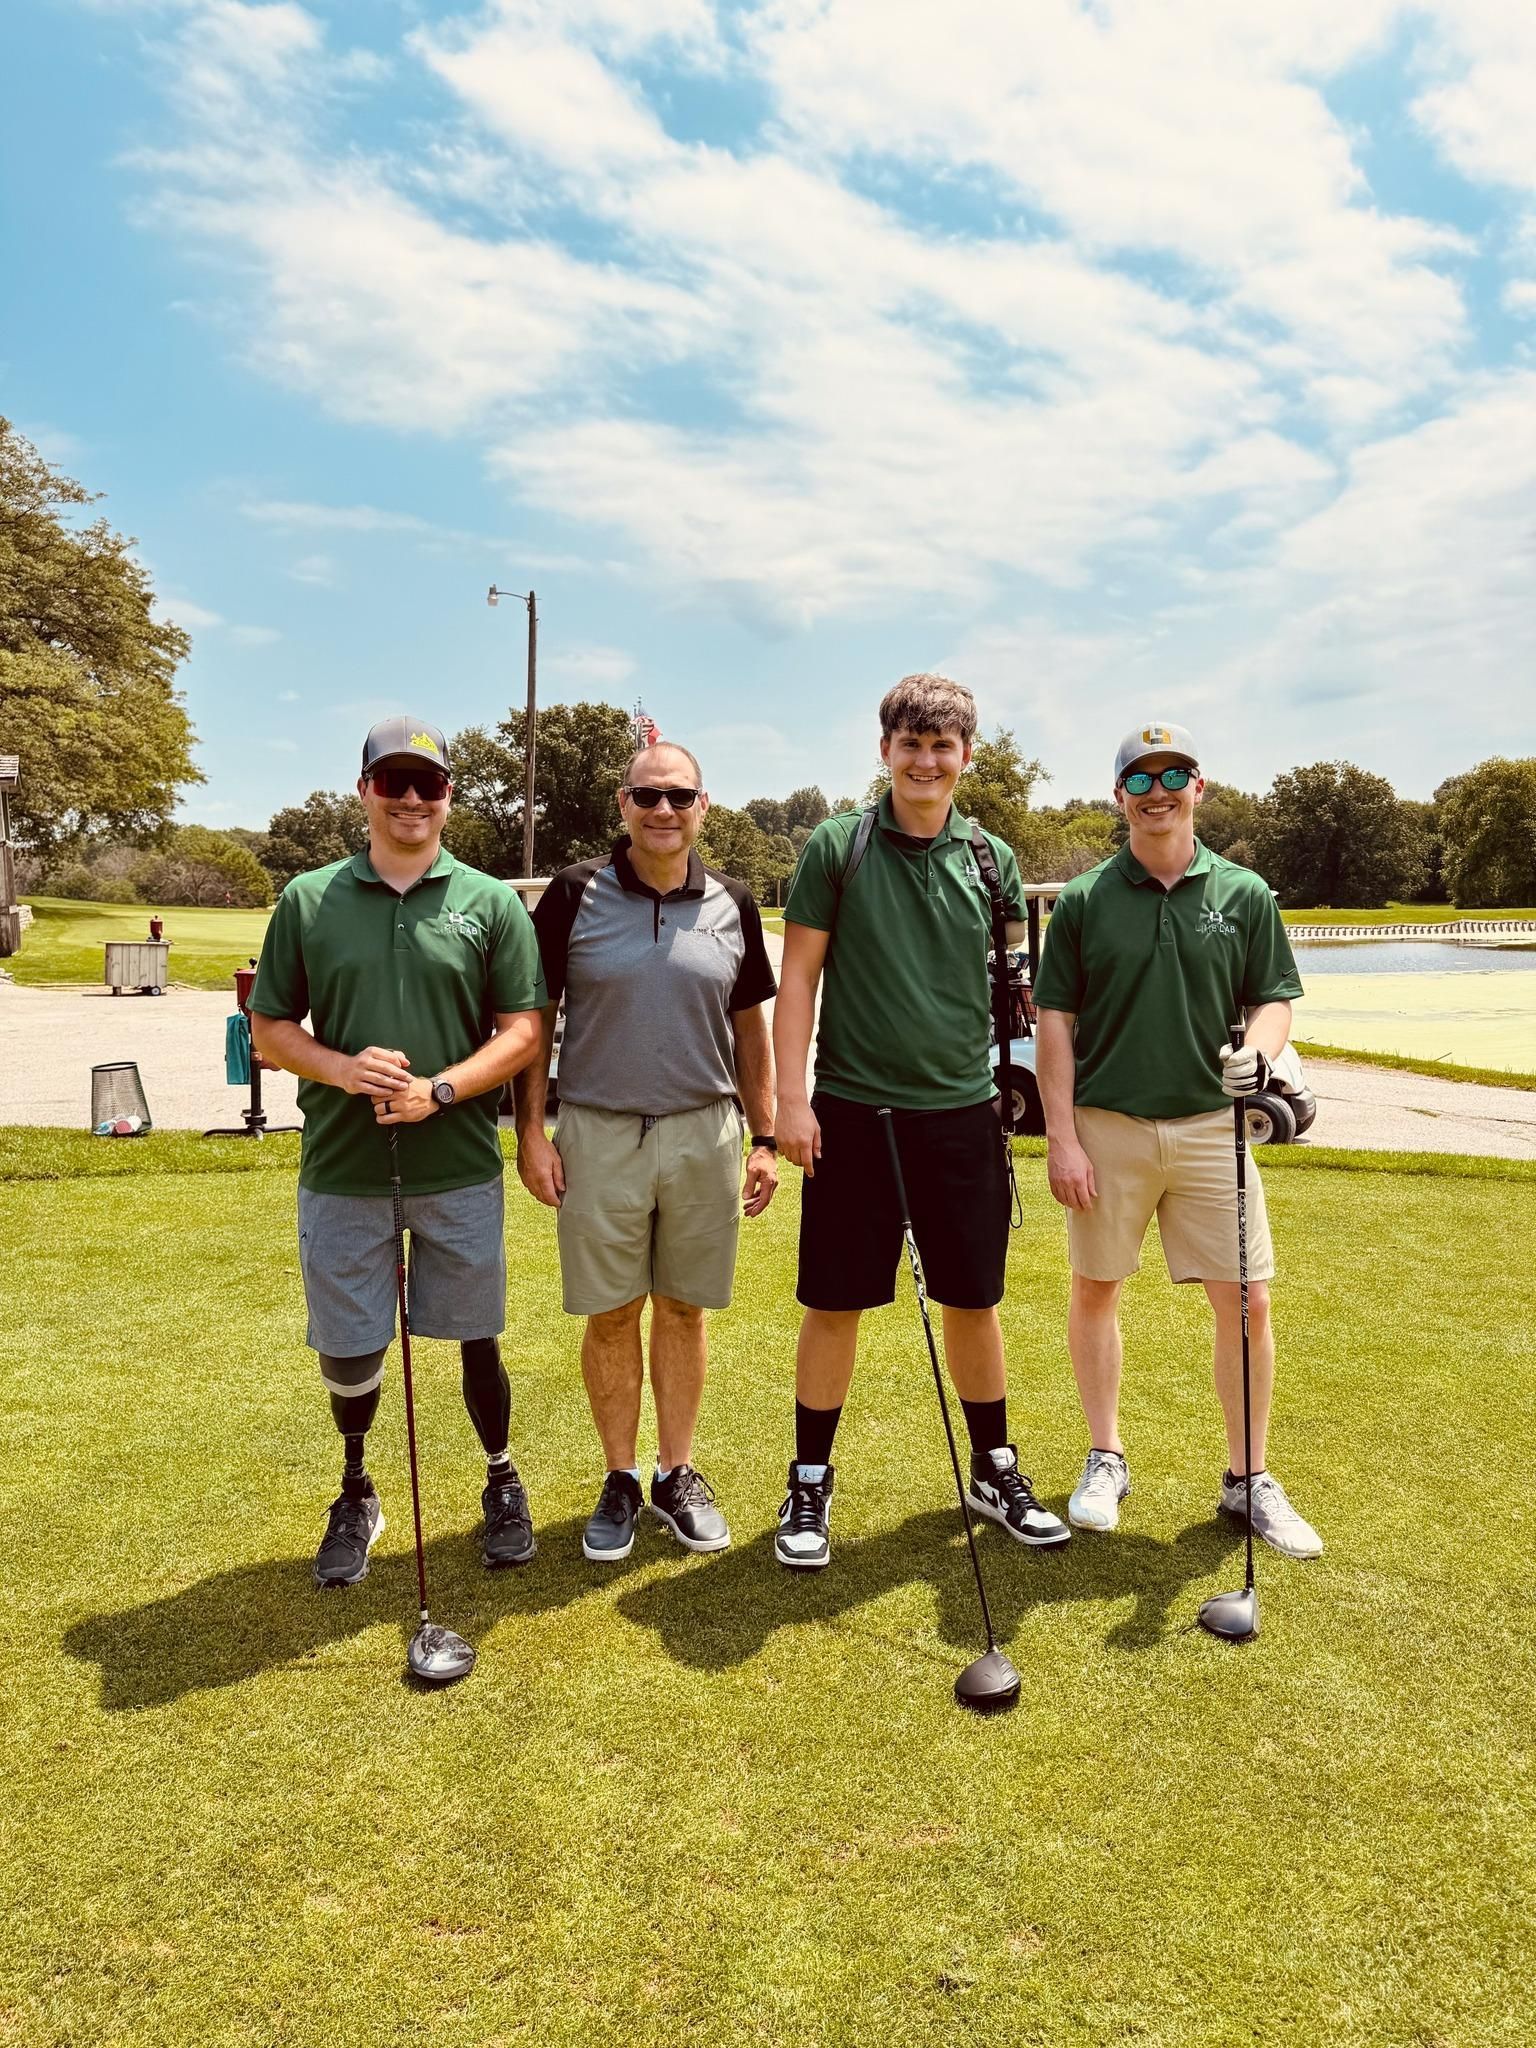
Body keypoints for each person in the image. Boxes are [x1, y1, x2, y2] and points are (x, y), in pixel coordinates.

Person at [772, 673, 1070, 1569]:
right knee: (834, 1304)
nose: (926, 760)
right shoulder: (838, 847)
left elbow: (1011, 984)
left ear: (965, 756)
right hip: (854, 1112)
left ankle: (994, 1467)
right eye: (911, 743)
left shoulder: (991, 859)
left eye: (943, 746)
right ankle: (809, 1483)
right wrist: (790, 1099)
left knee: (972, 1301)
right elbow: (798, 985)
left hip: (961, 1113)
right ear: (885, 750)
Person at [250, 717, 548, 1588]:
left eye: (429, 784)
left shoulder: (490, 902)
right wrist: (343, 1070)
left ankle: (500, 1478)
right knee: (348, 1349)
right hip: (343, 1168)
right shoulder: (308, 899)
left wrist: (441, 1090)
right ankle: (357, 1489)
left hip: (456, 1164)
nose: (412, 799)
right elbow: (269, 1029)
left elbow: (525, 1029)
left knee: (474, 1335)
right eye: (394, 783)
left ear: (450, 796)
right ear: (365, 792)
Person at [1032, 720, 1323, 1557]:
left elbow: (1273, 1000)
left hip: (1210, 1127)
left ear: (1199, 786)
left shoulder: (1243, 892)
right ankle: (1106, 1456)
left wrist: (1258, 1058)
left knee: (1246, 1299)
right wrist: (1061, 1138)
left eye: (1174, 776)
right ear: (1118, 796)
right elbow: (1057, 1024)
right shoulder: (1086, 899)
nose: (1157, 793)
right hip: (1108, 1125)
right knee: (1096, 1288)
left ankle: (1247, 1479)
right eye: (1141, 779)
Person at [514, 741, 779, 1563]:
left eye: (680, 797)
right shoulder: (571, 893)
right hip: (598, 1129)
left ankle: (676, 1472)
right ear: (622, 805)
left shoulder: (734, 901)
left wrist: (764, 1137)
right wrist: (529, 1130)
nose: (663, 811)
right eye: (646, 796)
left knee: (686, 1307)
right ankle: (621, 1477)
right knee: (612, 1310)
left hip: (706, 1131)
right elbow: (533, 1016)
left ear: (705, 805)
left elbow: (751, 1034)